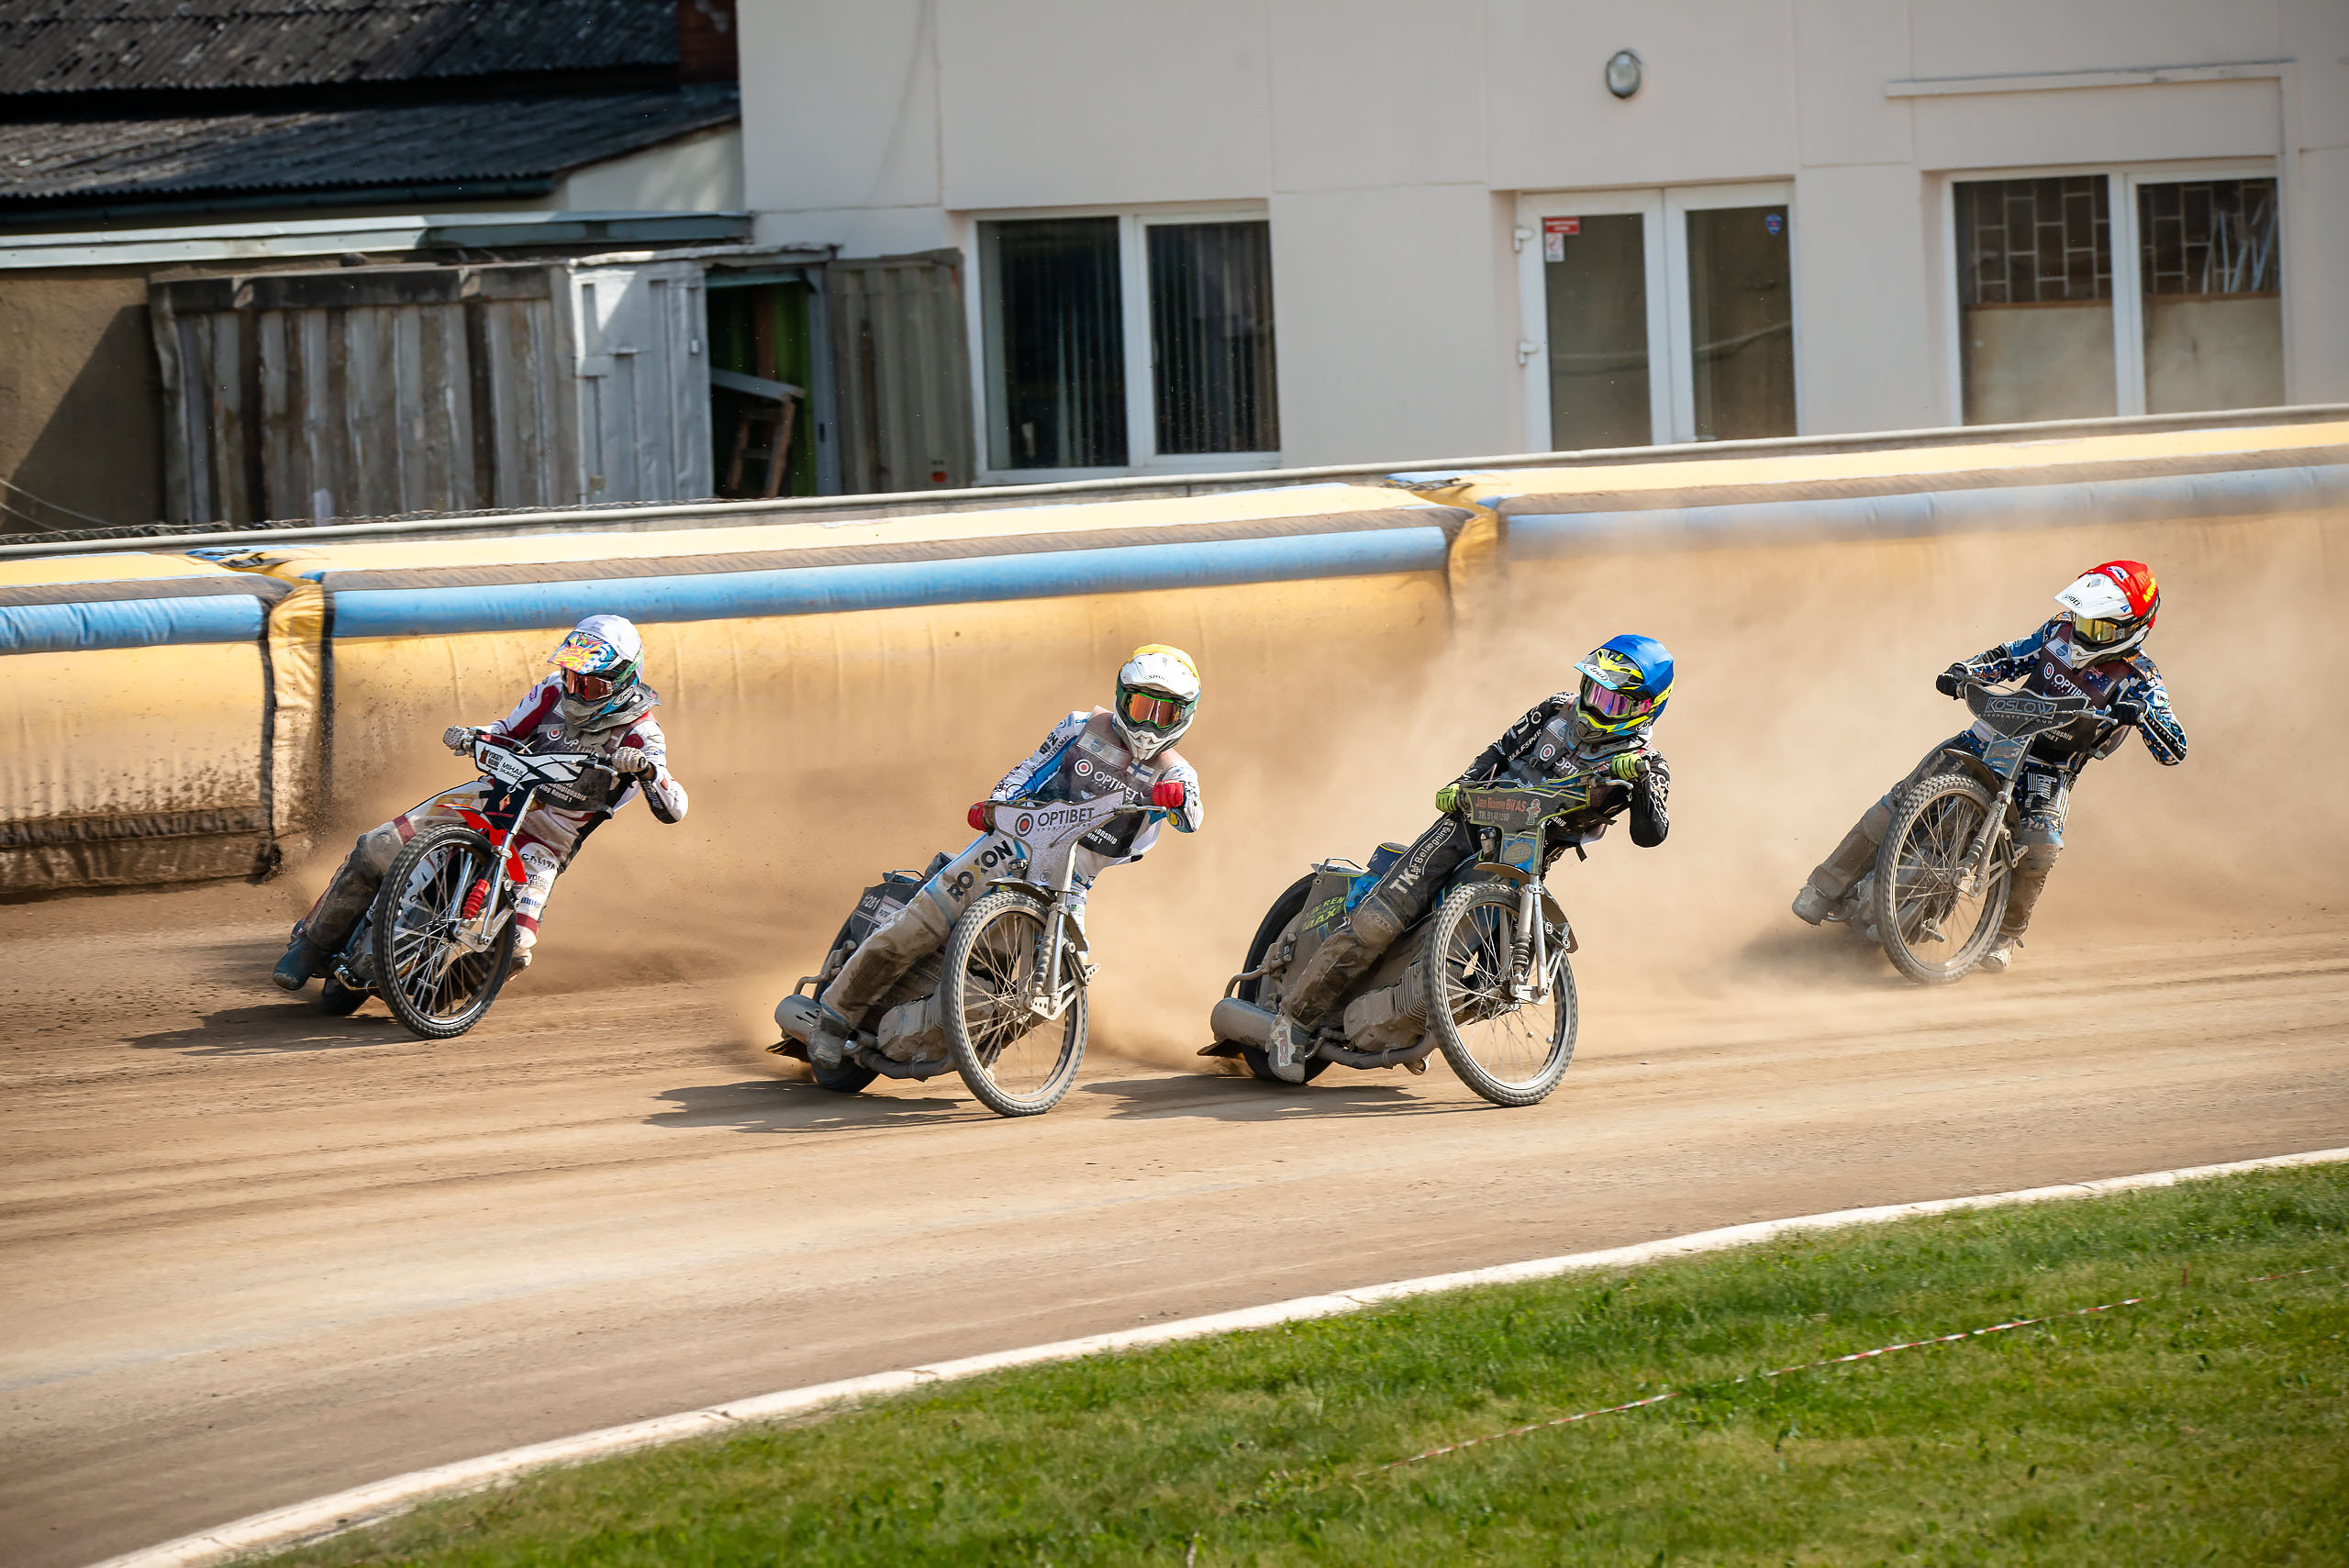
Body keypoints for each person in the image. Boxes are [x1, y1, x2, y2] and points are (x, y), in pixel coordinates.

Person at [1262, 634, 1675, 1083]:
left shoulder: (1646, 762)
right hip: (1465, 825)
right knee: (1378, 921)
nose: (1595, 705)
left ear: (1646, 707)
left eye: (1612, 701)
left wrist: (1646, 782)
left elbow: (1651, 835)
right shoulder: (1555, 708)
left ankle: (1415, 1021)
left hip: (1523, 861)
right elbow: (1501, 750)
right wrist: (1461, 784)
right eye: (1592, 689)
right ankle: (1292, 1023)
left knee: (1487, 976)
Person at [807, 644, 1205, 1067]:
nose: (1149, 723)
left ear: (1185, 716)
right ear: (1122, 699)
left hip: (1070, 885)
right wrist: (997, 807)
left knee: (1058, 986)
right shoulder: (1081, 726)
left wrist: (1178, 800)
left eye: (1165, 713)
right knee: (914, 927)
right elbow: (1028, 770)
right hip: (1006, 848)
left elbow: (1192, 817)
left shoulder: (1177, 772)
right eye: (1142, 706)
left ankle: (981, 1044)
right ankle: (832, 1020)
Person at [1791, 560, 2185, 969]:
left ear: (2131, 631)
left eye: (2098, 627)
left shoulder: (2142, 680)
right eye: (2083, 618)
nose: (2083, 631)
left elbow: (2175, 750)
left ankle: (2004, 936)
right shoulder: (2059, 630)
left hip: (2048, 768)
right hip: (1995, 733)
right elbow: (2012, 656)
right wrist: (1966, 671)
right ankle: (1823, 889)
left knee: (2041, 847)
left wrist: (2143, 714)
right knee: (1903, 797)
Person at [272, 614, 688, 990]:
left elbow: (676, 807)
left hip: (546, 840)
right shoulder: (550, 692)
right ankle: (310, 943)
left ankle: (433, 993)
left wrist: (647, 771)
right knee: (378, 846)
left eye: (591, 683)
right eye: (571, 677)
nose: (576, 691)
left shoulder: (642, 734)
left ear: (623, 679)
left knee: (519, 947)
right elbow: (506, 729)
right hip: (496, 796)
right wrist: (474, 734)